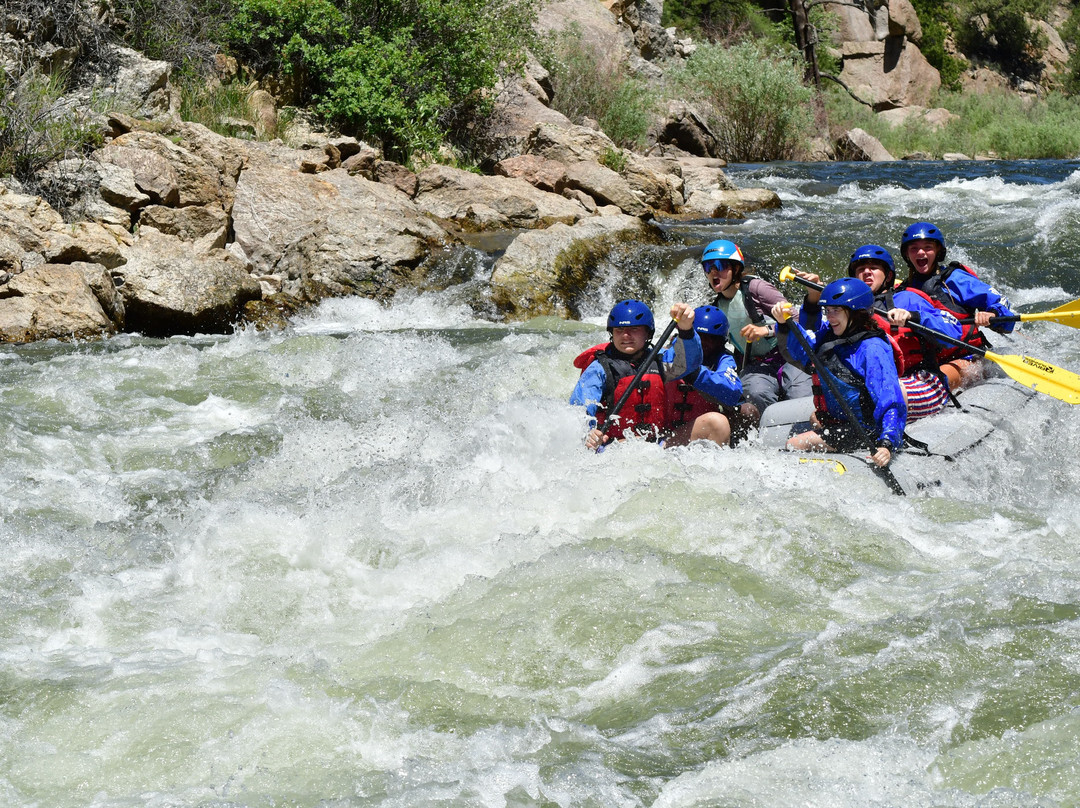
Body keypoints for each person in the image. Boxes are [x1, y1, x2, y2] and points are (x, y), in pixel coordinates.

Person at [792, 244, 962, 421]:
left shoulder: (908, 298)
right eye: (861, 269)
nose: (867, 272)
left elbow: (954, 330)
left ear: (888, 276)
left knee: (882, 396)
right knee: (824, 414)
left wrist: (914, 316)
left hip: (916, 378)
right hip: (872, 382)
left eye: (873, 268)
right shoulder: (847, 309)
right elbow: (813, 341)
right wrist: (813, 299)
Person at [771, 277, 906, 468]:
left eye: (836, 310)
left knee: (794, 444)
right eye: (827, 311)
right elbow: (803, 352)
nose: (830, 317)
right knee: (814, 417)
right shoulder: (831, 335)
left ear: (856, 313)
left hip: (864, 429)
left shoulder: (872, 348)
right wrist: (785, 324)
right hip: (839, 419)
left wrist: (887, 443)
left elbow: (889, 398)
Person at [700, 239, 812, 425]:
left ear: (736, 268)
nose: (713, 272)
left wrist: (766, 330)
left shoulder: (756, 288)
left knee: (801, 396)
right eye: (708, 267)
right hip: (757, 365)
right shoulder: (717, 307)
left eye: (720, 265)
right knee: (756, 395)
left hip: (790, 357)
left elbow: (798, 319)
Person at [896, 222, 1017, 390]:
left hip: (967, 356)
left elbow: (999, 302)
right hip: (928, 359)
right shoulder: (904, 290)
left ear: (938, 251)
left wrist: (993, 314)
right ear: (907, 254)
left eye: (928, 247)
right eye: (914, 248)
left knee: (931, 381)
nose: (921, 252)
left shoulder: (955, 279)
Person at [571, 299, 701, 451]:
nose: (625, 335)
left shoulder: (660, 360)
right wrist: (589, 433)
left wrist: (686, 330)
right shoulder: (599, 368)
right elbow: (579, 412)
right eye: (619, 330)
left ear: (648, 333)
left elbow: (691, 362)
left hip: (658, 444)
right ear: (612, 333)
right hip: (613, 447)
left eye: (634, 329)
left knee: (715, 423)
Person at [667, 305, 744, 447]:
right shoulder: (672, 350)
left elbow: (732, 393)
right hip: (666, 432)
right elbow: (668, 363)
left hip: (703, 428)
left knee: (748, 410)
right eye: (699, 336)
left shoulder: (724, 359)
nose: (704, 343)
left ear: (721, 342)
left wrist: (696, 375)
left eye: (711, 338)